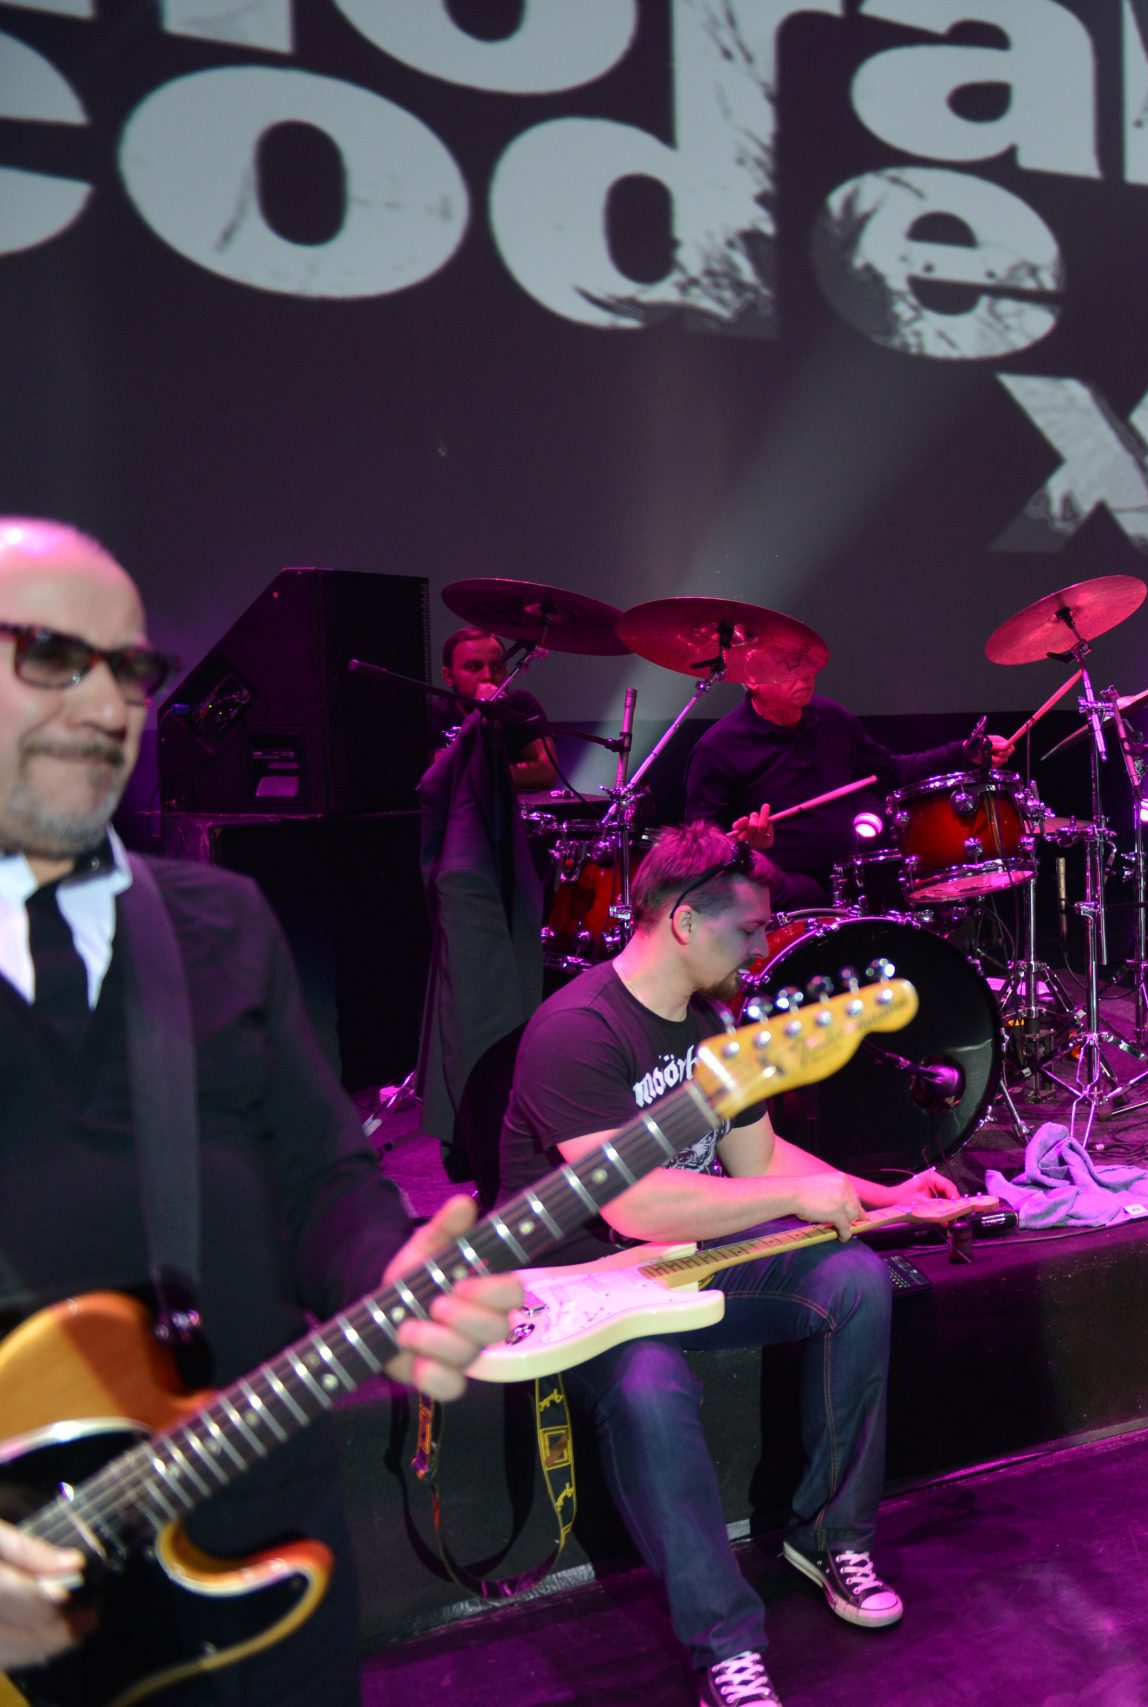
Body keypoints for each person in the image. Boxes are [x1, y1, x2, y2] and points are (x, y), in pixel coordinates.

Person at [0, 519, 519, 1702]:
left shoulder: (216, 922)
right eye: (53, 656)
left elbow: (321, 1178)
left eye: (131, 669)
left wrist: (388, 1273)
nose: (107, 704)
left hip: (264, 1530)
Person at [495, 821, 960, 1707]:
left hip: (685, 1261)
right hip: (586, 1287)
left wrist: (890, 1196)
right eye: (747, 929)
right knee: (650, 1387)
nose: (759, 946)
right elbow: (633, 1204)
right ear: (683, 921)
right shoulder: (576, 1031)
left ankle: (830, 1538)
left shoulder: (714, 1022)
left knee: (854, 1280)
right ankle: (726, 1647)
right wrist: (800, 1201)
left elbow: (762, 1158)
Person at [684, 644, 1011, 911]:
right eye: (789, 668)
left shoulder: (831, 718)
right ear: (752, 680)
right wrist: (748, 849)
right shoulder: (718, 748)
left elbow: (892, 773)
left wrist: (963, 753)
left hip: (844, 874)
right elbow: (701, 847)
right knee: (806, 893)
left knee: (912, 877)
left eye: (805, 666)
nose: (806, 676)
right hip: (772, 884)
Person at [439, 625, 561, 792]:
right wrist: (481, 713)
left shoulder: (521, 703)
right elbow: (443, 776)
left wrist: (475, 774)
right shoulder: (435, 713)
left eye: (497, 667)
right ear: (449, 676)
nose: (488, 677)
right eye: (474, 667)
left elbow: (546, 773)